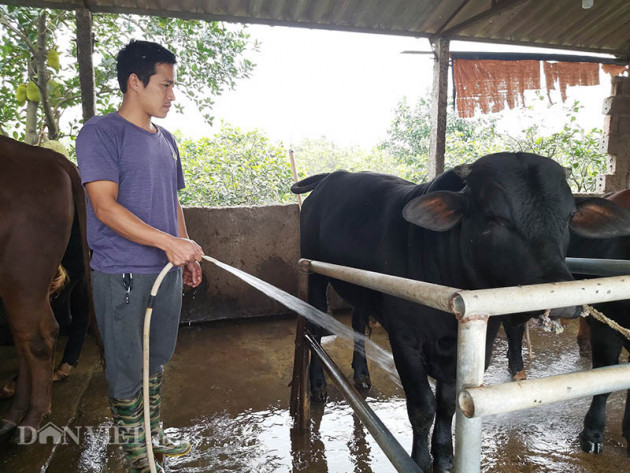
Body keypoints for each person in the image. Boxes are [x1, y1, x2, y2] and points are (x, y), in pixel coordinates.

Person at [76, 40, 203, 473]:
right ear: (135, 82)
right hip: (123, 274)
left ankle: (150, 434)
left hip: (165, 272)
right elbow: (104, 207)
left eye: (172, 85)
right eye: (164, 85)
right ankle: (137, 459)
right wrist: (166, 244)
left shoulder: (166, 140)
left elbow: (173, 203)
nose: (172, 95)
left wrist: (185, 252)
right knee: (127, 370)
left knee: (155, 362)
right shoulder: (101, 133)